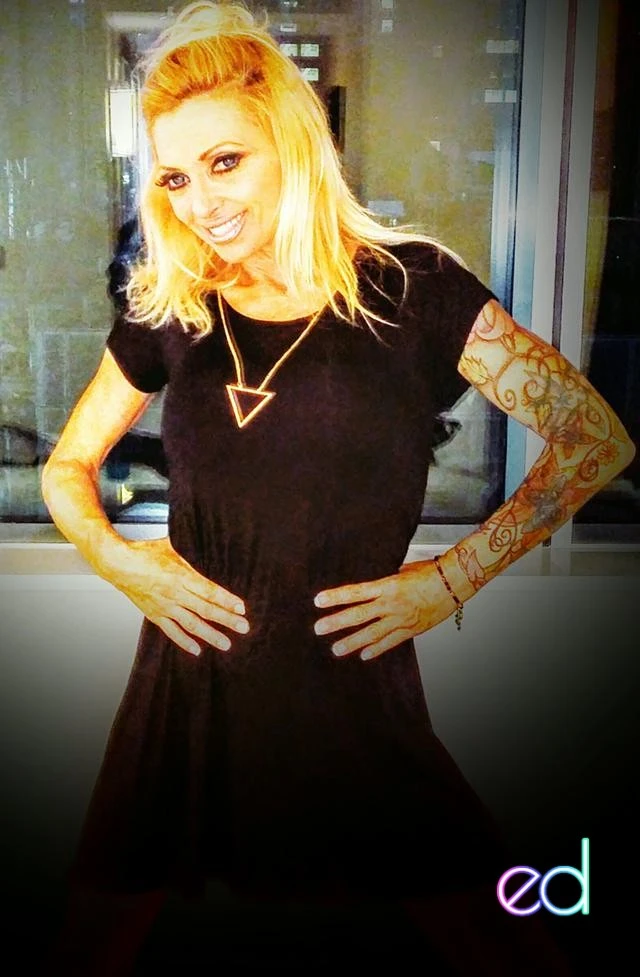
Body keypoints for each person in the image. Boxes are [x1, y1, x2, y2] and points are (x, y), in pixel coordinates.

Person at [41, 2, 634, 975]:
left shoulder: (414, 290)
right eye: (176, 177)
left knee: (502, 947)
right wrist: (122, 562)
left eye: (224, 162)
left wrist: (450, 578)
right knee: (90, 946)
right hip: (185, 692)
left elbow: (592, 438)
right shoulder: (175, 308)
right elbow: (65, 467)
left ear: (291, 143)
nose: (199, 202)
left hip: (349, 688)